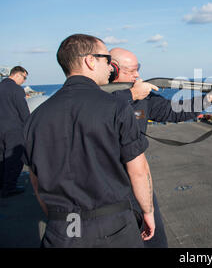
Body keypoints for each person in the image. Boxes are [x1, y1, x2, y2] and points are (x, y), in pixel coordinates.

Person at [23, 34, 155, 247]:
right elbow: (138, 170)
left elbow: (36, 182)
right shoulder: (116, 107)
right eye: (106, 60)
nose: (111, 68)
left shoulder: (35, 119)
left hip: (61, 231)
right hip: (115, 227)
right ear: (90, 60)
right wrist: (148, 211)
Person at [109, 47, 212, 248]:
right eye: (131, 70)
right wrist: (129, 95)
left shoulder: (143, 96)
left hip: (137, 180)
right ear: (112, 70)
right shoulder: (97, 97)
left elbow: (174, 111)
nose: (137, 75)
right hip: (105, 183)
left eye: (138, 69)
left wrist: (206, 100)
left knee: (154, 240)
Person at [0, 66, 30, 198]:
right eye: (24, 78)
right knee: (14, 158)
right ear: (17, 75)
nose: (24, 81)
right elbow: (23, 111)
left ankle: (2, 185)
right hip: (13, 128)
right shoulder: (16, 89)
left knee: (1, 158)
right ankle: (9, 187)